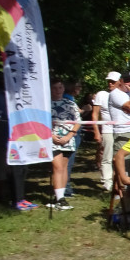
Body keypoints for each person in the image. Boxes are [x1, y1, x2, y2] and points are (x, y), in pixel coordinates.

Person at [0, 72, 33, 209]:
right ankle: (0, 198)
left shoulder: (22, 98)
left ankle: (18, 197)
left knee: (20, 169)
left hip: (19, 140)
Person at [49, 77, 81, 209]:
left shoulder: (71, 104)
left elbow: (78, 121)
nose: (58, 90)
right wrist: (50, 135)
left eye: (60, 87)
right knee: (57, 167)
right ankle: (59, 198)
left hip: (68, 139)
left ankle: (61, 196)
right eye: (55, 88)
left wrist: (69, 135)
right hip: (52, 139)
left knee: (63, 167)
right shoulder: (45, 104)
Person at [92, 71, 120, 192]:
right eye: (109, 81)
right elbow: (95, 114)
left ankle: (120, 179)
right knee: (107, 155)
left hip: (121, 129)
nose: (110, 83)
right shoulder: (102, 94)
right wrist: (96, 132)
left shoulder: (123, 95)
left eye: (113, 81)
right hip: (107, 129)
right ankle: (107, 181)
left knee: (121, 155)